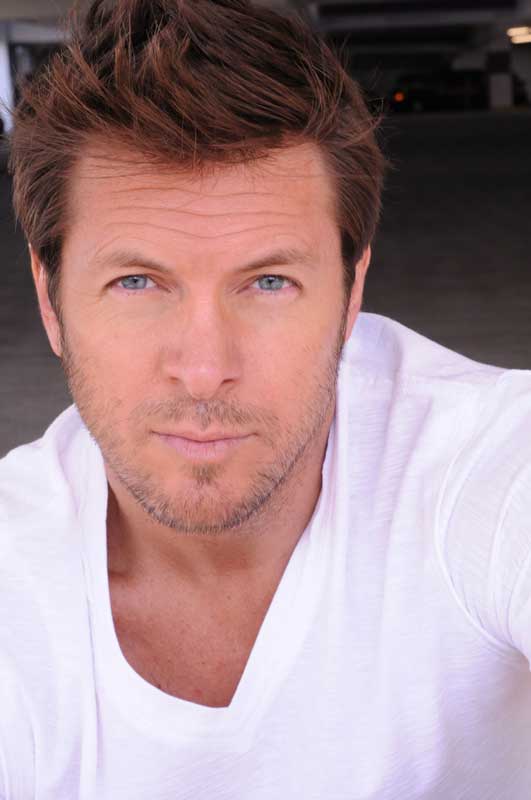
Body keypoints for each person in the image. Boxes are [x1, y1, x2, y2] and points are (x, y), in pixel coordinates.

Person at [1, 0, 530, 797]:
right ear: (51, 301)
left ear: (350, 292)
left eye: (269, 282)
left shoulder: (485, 465)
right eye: (137, 282)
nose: (203, 369)